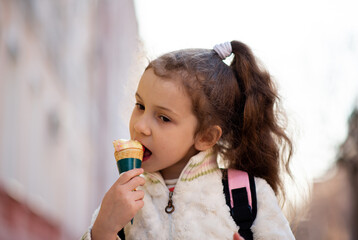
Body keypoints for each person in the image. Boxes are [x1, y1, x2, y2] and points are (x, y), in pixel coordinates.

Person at [81, 41, 295, 240]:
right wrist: (102, 231)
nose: (140, 126)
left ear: (206, 136)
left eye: (164, 118)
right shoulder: (123, 201)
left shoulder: (248, 196)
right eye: (140, 106)